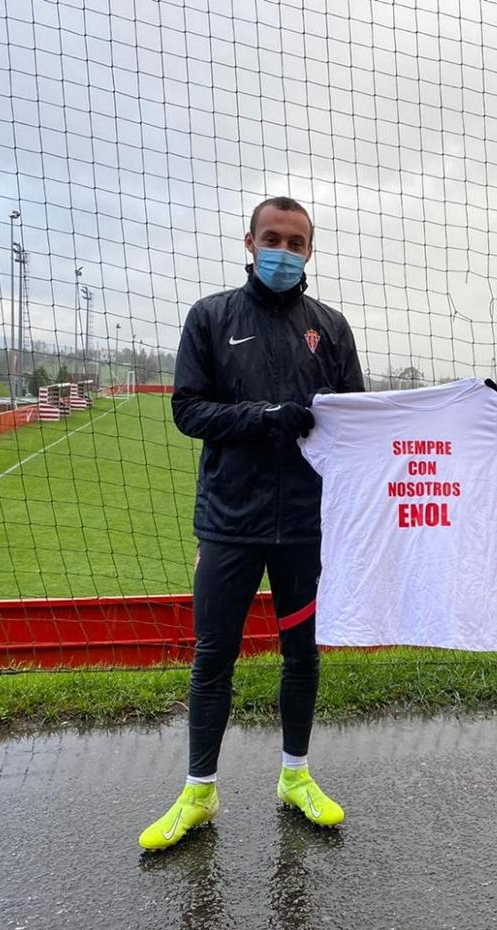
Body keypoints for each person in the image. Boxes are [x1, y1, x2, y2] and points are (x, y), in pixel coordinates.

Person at [139, 196, 364, 850]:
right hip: (229, 522)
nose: (283, 252)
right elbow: (189, 410)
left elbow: (355, 421)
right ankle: (198, 790)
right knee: (214, 654)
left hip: (303, 526)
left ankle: (295, 776)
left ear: (310, 252)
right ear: (249, 241)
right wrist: (263, 417)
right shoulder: (210, 317)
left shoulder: (332, 327)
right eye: (273, 238)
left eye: (296, 242)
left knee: (302, 654)